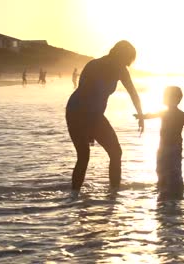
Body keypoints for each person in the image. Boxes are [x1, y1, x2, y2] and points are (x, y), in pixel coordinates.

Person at [66, 40, 144, 198]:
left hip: (88, 113)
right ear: (122, 55)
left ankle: (105, 195)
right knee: (90, 155)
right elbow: (86, 95)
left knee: (108, 154)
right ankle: (92, 196)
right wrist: (89, 127)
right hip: (79, 111)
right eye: (128, 58)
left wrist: (141, 115)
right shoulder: (96, 66)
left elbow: (132, 93)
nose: (128, 63)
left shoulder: (118, 69)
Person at [135, 86, 184, 200]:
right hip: (171, 147)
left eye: (165, 96)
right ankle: (175, 190)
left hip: (168, 147)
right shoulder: (181, 115)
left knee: (163, 168)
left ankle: (164, 188)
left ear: (174, 99)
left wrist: (141, 116)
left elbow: (151, 115)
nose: (163, 98)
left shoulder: (167, 113)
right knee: (174, 169)